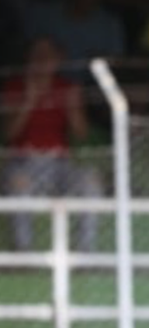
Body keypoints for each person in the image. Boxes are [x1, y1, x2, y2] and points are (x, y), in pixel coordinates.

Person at [2, 35, 102, 252]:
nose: (41, 60)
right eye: (37, 54)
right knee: (20, 184)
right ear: (28, 58)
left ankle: (85, 251)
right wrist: (29, 99)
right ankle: (23, 252)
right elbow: (9, 134)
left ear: (58, 60)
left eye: (48, 55)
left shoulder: (67, 87)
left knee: (90, 183)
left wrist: (72, 106)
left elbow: (81, 134)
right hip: (23, 162)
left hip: (60, 163)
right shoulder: (14, 86)